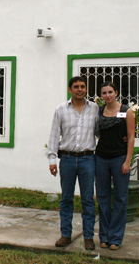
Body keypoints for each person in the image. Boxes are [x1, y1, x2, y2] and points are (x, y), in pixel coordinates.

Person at [47, 76, 99, 250]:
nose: (80, 89)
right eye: (76, 87)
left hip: (87, 159)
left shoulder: (94, 109)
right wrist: (52, 159)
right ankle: (65, 235)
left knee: (88, 200)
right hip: (67, 159)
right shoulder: (61, 109)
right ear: (70, 89)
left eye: (82, 86)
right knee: (66, 199)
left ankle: (89, 237)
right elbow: (55, 135)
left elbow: (101, 132)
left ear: (86, 88)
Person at [95, 81, 135, 250]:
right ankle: (104, 236)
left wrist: (128, 160)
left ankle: (116, 238)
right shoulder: (98, 112)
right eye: (104, 93)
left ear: (116, 93)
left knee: (120, 197)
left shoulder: (127, 112)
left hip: (119, 158)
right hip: (101, 158)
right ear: (101, 96)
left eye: (110, 92)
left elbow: (131, 137)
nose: (108, 95)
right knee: (103, 197)